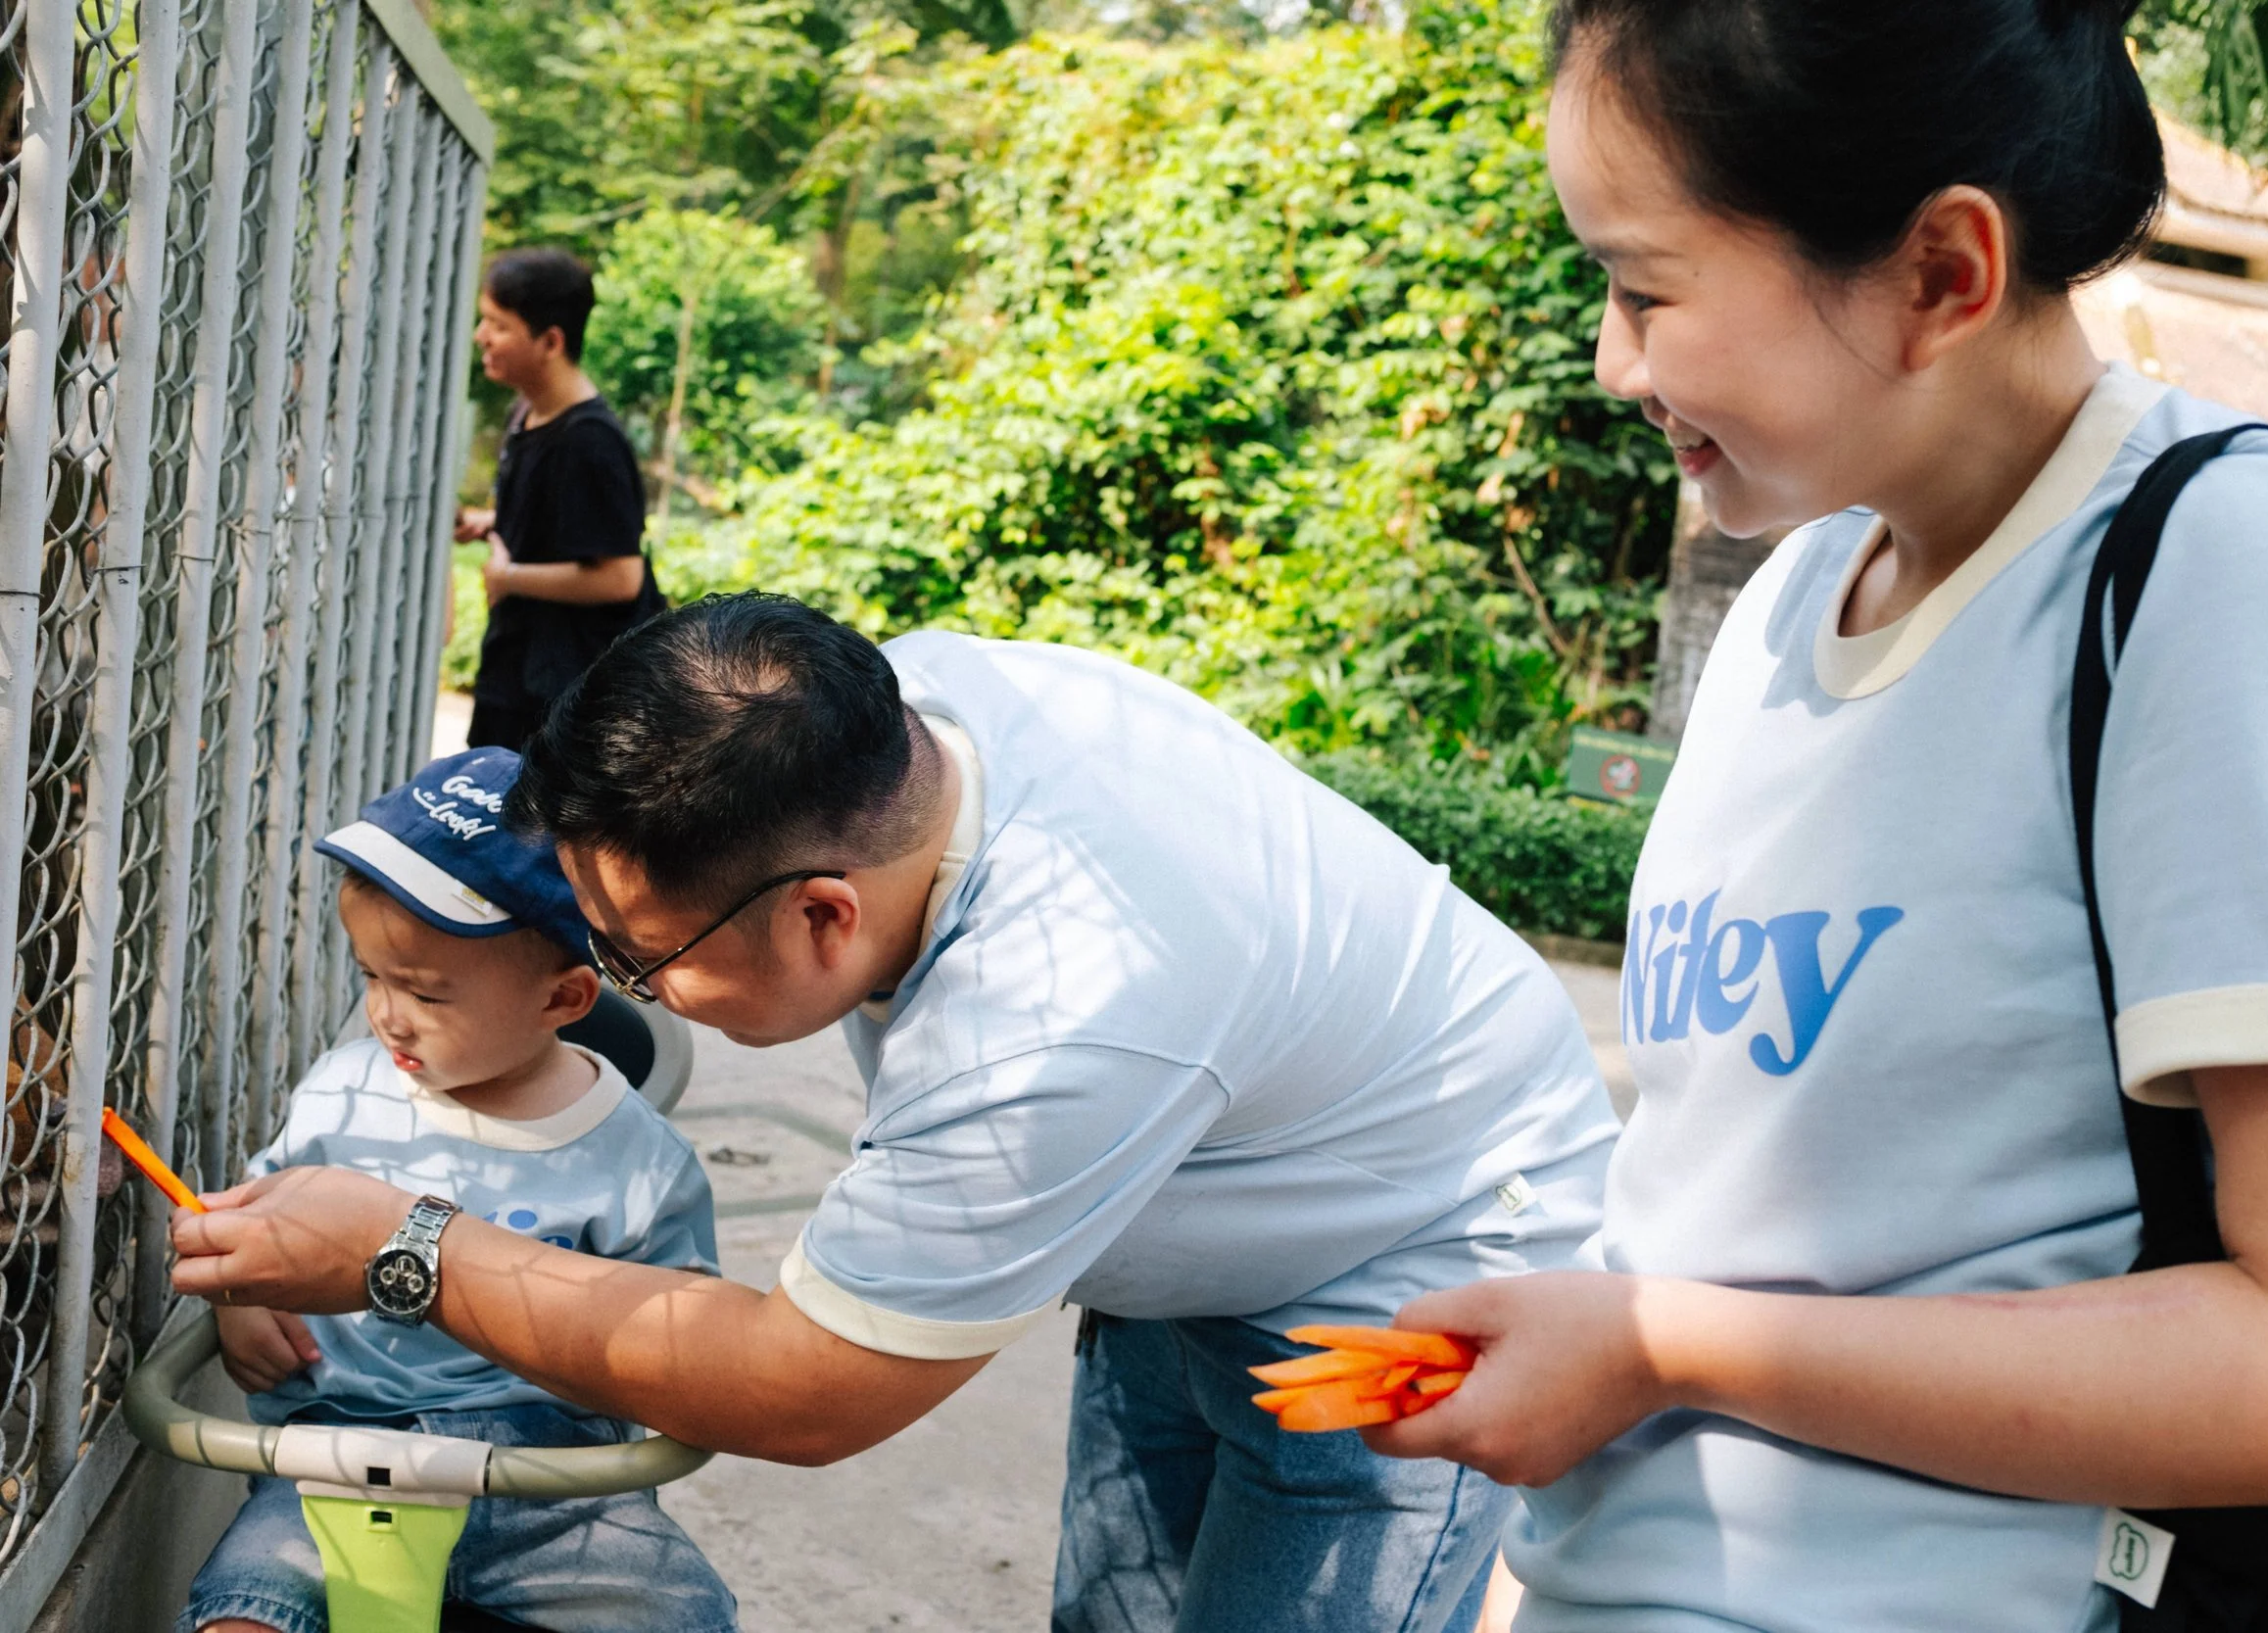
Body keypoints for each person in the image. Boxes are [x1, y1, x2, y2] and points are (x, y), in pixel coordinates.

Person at [1356, 2, 2268, 1630]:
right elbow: (1719, 1194)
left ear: (1943, 271)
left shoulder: (2233, 568)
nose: (1612, 359)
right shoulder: (1801, 588)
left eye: (1646, 287)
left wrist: (1660, 1348)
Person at [169, 598, 1624, 1633]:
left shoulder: (1057, 1016)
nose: (630, 993)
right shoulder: (879, 724)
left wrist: (404, 1244)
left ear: (821, 911)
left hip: (1428, 1261)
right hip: (1219, 1194)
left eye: (643, 957)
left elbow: (809, 1385)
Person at [180, 747, 735, 1633]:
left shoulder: (635, 1158)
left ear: (564, 996)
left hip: (553, 1484)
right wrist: (239, 1302)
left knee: (680, 1613)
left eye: (426, 993)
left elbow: (682, 1338)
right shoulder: (343, 1087)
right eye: (373, 976)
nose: (387, 1014)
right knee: (245, 1609)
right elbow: (261, 1210)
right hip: (338, 1457)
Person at [456, 249, 662, 751]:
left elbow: (619, 577)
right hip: (517, 671)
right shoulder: (529, 410)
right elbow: (562, 520)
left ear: (550, 341)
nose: (482, 336)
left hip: (562, 700)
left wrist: (507, 577)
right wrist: (493, 521)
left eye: (497, 325)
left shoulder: (589, 441)